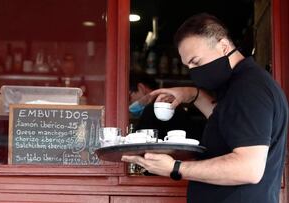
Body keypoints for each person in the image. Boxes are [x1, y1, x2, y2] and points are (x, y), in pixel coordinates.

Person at [122, 13, 288, 203]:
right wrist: (192, 94)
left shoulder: (248, 89)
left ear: (224, 46)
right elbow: (229, 125)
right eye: (188, 66)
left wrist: (175, 168)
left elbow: (248, 168)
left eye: (196, 61)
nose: (193, 71)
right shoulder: (240, 85)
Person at [129, 71, 190, 140]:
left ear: (141, 88)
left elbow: (140, 144)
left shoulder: (153, 110)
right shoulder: (172, 105)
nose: (129, 103)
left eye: (129, 97)